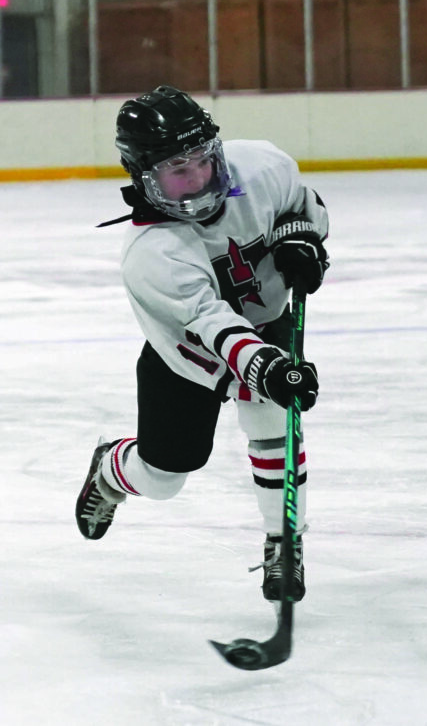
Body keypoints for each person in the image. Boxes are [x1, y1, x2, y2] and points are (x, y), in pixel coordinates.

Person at [75, 85, 329, 604]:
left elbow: (308, 207)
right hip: (186, 354)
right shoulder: (152, 253)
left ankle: (284, 540)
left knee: (271, 419)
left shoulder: (263, 167)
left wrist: (303, 236)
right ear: (145, 178)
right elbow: (212, 325)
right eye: (176, 171)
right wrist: (271, 369)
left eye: (201, 161)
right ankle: (111, 468)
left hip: (266, 321)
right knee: (164, 478)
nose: (196, 181)